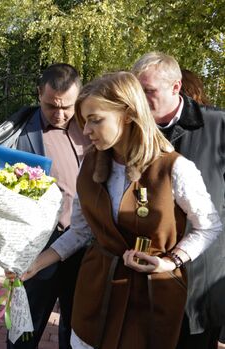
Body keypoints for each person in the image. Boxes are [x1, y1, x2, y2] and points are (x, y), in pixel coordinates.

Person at [21, 71, 222, 349]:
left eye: (95, 119)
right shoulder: (89, 166)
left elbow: (209, 225)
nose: (86, 130)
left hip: (151, 298)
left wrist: (171, 260)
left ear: (127, 114)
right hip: (95, 293)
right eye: (84, 120)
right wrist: (35, 264)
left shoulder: (175, 168)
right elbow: (80, 231)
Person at [0, 63, 90, 349]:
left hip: (86, 245)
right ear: (39, 93)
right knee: (25, 327)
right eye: (52, 106)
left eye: (68, 106)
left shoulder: (91, 125)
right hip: (38, 246)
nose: (61, 114)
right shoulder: (19, 128)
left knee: (77, 329)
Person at [132, 52, 225, 349]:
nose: (141, 99)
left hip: (202, 274)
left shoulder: (218, 126)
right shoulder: (131, 130)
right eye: (137, 91)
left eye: (149, 91)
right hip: (146, 272)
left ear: (176, 87)